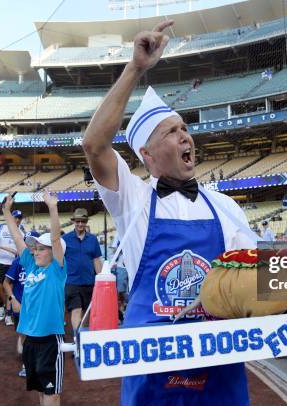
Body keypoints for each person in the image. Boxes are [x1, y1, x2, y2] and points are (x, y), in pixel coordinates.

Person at [82, 20, 256, 405]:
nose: (185, 136)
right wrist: (136, 68)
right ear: (146, 154)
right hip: (153, 378)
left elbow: (251, 281)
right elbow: (94, 145)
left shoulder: (225, 207)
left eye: (184, 128)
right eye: (171, 132)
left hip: (219, 376)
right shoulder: (133, 198)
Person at [2, 191, 66, 406]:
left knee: (52, 393)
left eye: (41, 249)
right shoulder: (30, 265)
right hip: (30, 339)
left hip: (50, 340)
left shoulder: (56, 271)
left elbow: (56, 238)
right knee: (40, 390)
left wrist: (52, 207)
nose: (35, 252)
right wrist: (6, 211)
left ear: (54, 253)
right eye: (35, 248)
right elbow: (18, 238)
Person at [3, 230, 40, 378]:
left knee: (37, 335)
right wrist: (13, 299)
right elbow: (6, 283)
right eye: (28, 241)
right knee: (25, 336)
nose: (30, 245)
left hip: (37, 306)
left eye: (34, 242)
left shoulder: (42, 262)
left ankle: (35, 362)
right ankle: (26, 364)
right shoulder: (18, 262)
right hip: (21, 305)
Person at [62, 208, 103, 336]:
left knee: (87, 313)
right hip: (71, 282)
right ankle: (76, 337)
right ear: (74, 221)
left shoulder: (93, 239)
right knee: (76, 310)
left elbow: (96, 260)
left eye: (83, 221)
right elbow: (59, 260)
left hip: (89, 282)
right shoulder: (65, 239)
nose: (80, 224)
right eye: (78, 221)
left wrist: (101, 279)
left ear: (86, 222)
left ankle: (81, 336)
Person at [0, 210, 25, 326]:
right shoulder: (1, 227)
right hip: (0, 262)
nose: (18, 220)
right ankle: (2, 306)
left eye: (20, 218)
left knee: (11, 290)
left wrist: (0, 246)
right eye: (16, 217)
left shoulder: (22, 232)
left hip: (13, 263)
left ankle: (9, 314)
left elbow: (18, 252)